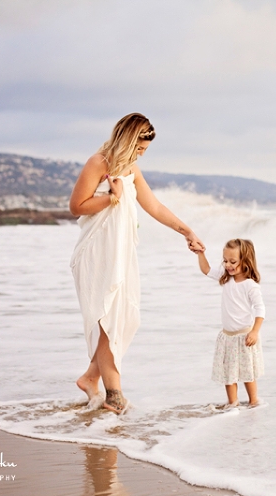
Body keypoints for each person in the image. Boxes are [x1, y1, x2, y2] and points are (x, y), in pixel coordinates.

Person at [70, 113, 204, 414]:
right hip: (96, 255)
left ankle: (90, 377)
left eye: (144, 150)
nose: (141, 154)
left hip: (121, 254)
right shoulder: (98, 163)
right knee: (108, 320)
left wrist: (187, 231)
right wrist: (111, 198)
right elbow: (76, 206)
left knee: (123, 319)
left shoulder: (131, 169)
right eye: (139, 148)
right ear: (127, 140)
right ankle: (113, 392)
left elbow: (154, 206)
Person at [195, 239, 265, 409]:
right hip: (228, 337)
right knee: (229, 374)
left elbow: (260, 309)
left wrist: (255, 332)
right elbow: (206, 269)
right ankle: (232, 403)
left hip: (245, 336)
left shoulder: (250, 285)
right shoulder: (226, 278)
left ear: (246, 261)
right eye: (225, 261)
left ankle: (254, 401)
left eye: (233, 262)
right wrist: (200, 253)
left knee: (248, 373)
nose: (228, 265)